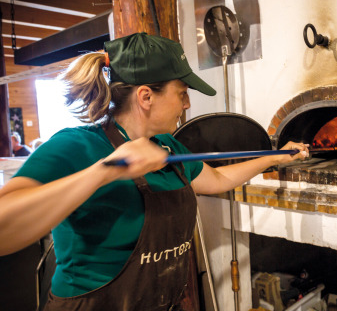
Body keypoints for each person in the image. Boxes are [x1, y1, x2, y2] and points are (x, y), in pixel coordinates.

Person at [0, 32, 308, 310]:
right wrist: (106, 170)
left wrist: (275, 158)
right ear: (146, 96)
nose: (186, 104)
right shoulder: (76, 146)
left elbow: (217, 179)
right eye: (182, 92)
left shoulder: (167, 146)